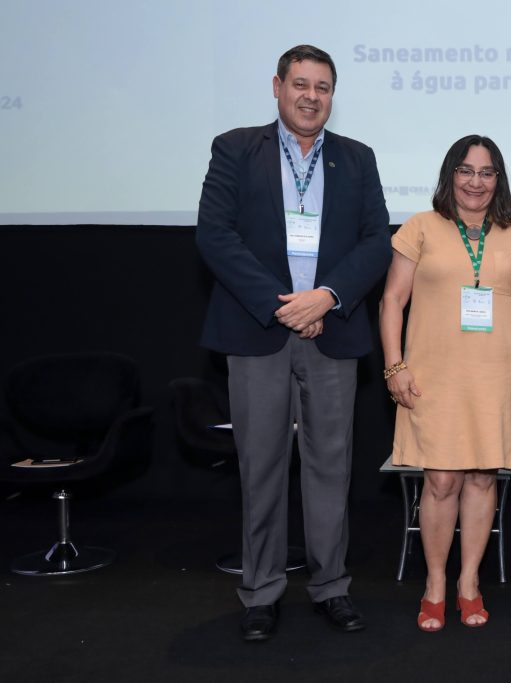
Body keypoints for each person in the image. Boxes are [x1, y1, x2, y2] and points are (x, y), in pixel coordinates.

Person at [195, 45, 391, 641]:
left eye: (322, 87)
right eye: (300, 84)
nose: (311, 96)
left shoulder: (356, 158)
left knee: (331, 467)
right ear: (278, 87)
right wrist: (285, 306)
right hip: (258, 330)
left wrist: (326, 297)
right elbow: (215, 235)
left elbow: (376, 240)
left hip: (332, 330)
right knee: (261, 468)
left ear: (332, 95)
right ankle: (261, 592)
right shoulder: (235, 148)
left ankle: (331, 587)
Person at [379, 135, 511, 631]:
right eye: (466, 170)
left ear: (499, 179)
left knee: (481, 479)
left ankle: (469, 582)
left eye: (487, 172)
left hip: (499, 378)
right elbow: (392, 301)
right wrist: (394, 366)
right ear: (450, 174)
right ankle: (435, 583)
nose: (476, 181)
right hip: (434, 378)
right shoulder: (420, 227)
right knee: (440, 480)